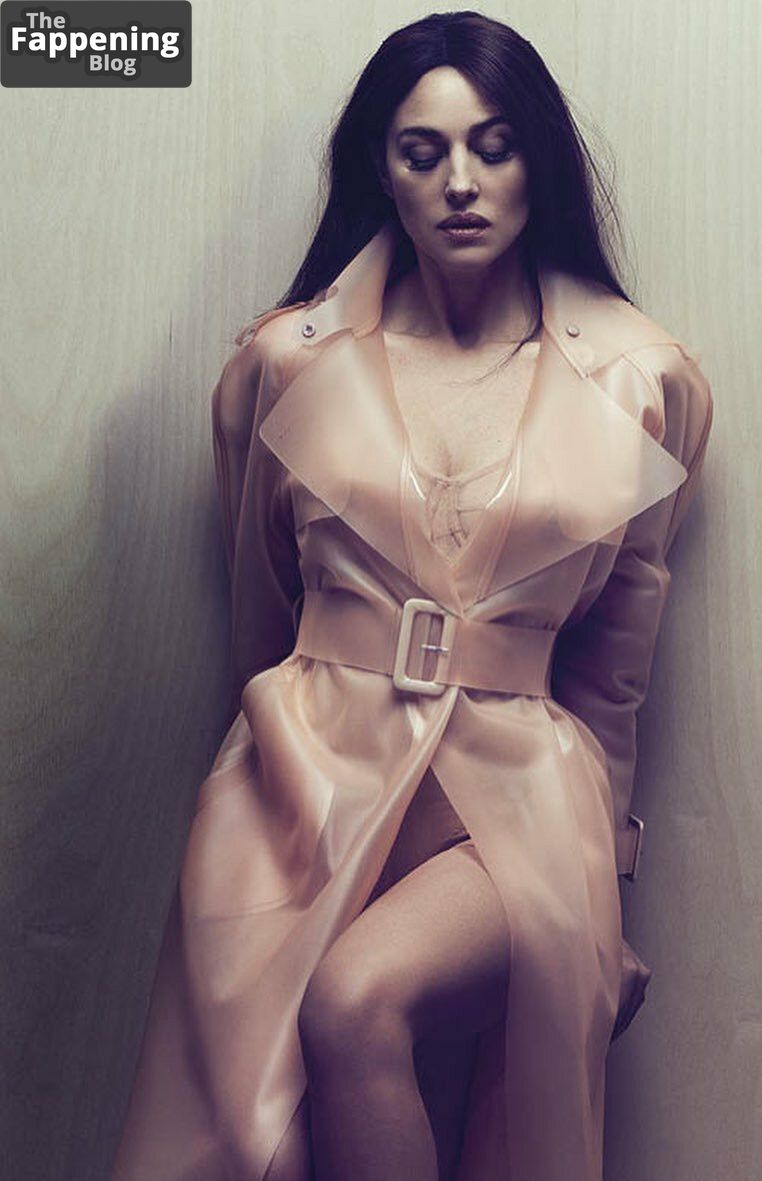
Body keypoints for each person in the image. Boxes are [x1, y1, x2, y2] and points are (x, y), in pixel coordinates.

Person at [109, 10, 713, 1181]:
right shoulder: (283, 361)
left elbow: (613, 669)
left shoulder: (642, 381)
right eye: (421, 151)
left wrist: (608, 898)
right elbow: (259, 612)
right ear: (380, 171)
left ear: (539, 159)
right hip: (301, 780)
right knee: (246, 1131)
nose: (460, 183)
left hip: (521, 805)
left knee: (354, 1002)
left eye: (494, 145)